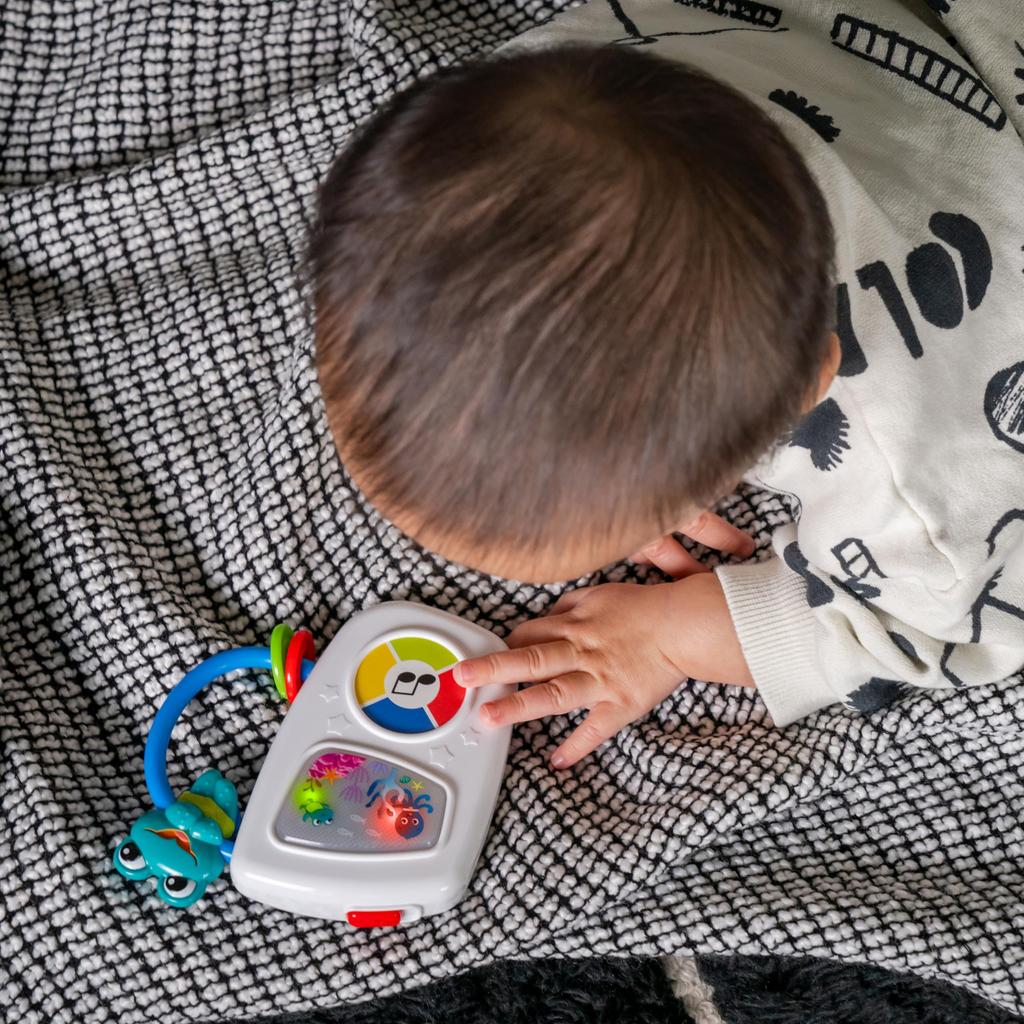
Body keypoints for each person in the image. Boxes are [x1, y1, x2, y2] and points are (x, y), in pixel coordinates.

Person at [307, 0, 1024, 768]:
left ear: (809, 387)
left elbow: (941, 627)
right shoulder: (574, 93)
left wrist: (678, 633)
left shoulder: (924, 488)